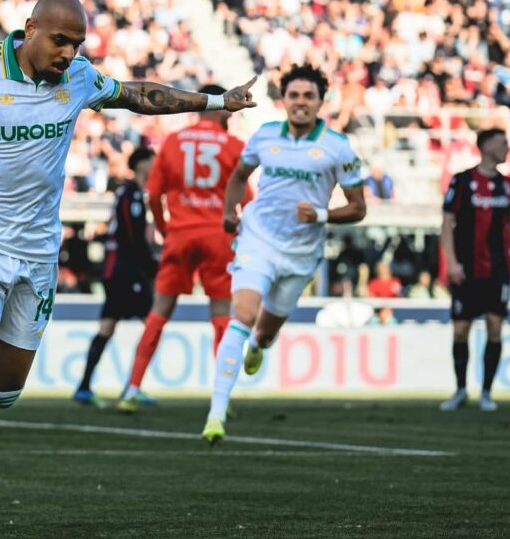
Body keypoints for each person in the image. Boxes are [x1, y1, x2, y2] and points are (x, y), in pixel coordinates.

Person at [0, 0, 259, 539]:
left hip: (36, 251)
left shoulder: (78, 78)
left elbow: (139, 95)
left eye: (77, 44)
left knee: (5, 392)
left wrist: (216, 100)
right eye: (60, 41)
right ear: (30, 28)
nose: (68, 53)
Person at [201, 64, 367, 443]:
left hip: (300, 254)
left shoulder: (338, 147)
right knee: (242, 316)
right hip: (258, 239)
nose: (300, 102)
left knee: (264, 333)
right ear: (284, 100)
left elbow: (359, 208)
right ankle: (216, 415)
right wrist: (229, 211)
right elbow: (239, 175)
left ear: (321, 102)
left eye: (308, 96)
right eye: (294, 95)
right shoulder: (264, 135)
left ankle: (257, 347)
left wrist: (322, 215)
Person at [115, 85, 251, 413]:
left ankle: (132, 389)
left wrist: (165, 229)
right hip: (218, 236)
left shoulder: (174, 142)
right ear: (221, 109)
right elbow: (248, 200)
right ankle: (221, 398)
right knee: (222, 315)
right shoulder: (234, 145)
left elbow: (153, 194)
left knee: (159, 312)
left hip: (180, 234)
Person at [439, 128, 510, 412]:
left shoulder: (509, 185)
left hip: (498, 269)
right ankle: (461, 389)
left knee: (495, 326)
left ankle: (486, 392)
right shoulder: (462, 181)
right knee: (460, 329)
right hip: (467, 268)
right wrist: (451, 262)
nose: (507, 148)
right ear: (486, 146)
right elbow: (446, 223)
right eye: (502, 143)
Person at [73, 148, 157, 407]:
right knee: (152, 323)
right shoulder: (130, 194)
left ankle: (86, 387)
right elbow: (131, 237)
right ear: (141, 164)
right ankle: (132, 387)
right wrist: (150, 265)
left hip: (121, 270)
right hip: (125, 270)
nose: (156, 165)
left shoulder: (135, 194)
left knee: (109, 326)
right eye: (152, 161)